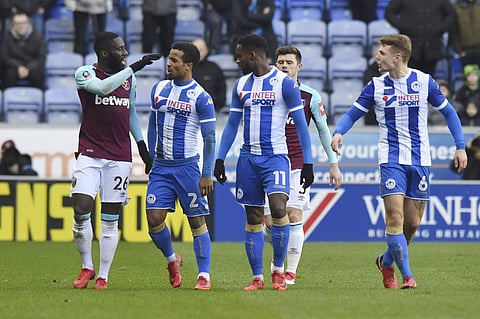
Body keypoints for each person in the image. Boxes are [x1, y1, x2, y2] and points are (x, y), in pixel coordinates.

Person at [330, 34, 468, 290]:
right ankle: (407, 276)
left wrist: (460, 147)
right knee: (394, 217)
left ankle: (386, 261)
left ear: (397, 57)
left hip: (420, 160)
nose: (376, 57)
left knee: (411, 224)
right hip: (390, 159)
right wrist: (339, 131)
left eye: (381, 53)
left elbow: (449, 112)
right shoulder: (375, 85)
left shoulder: (424, 82)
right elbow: (353, 113)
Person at [214, 34, 315, 291]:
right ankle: (257, 277)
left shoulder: (284, 84)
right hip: (248, 159)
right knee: (254, 216)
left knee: (279, 209)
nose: (237, 61)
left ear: (252, 55)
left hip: (276, 158)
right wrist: (220, 158)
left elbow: (302, 126)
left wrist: (308, 163)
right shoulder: (241, 85)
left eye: (239, 56)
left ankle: (278, 271)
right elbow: (232, 126)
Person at [71, 31, 159, 290]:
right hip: (89, 152)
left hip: (119, 156)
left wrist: (141, 146)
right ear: (105, 53)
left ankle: (103, 275)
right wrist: (133, 68)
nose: (125, 53)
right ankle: (87, 265)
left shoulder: (128, 80)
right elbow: (101, 88)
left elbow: (129, 111)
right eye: (120, 49)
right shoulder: (85, 73)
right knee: (81, 207)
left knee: (110, 219)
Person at [262, 45, 342, 285]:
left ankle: (290, 272)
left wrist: (333, 163)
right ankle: (278, 253)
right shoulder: (267, 92)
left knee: (294, 214)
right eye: (280, 62)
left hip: (298, 164)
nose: (284, 65)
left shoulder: (310, 95)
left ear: (299, 66)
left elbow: (323, 130)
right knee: (270, 223)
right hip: (271, 163)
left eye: (288, 62)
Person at [145, 41, 216, 290]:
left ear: (188, 65)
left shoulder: (201, 97)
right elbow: (153, 125)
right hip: (162, 168)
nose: (169, 63)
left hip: (187, 168)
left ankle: (204, 275)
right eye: (169, 58)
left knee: (196, 221)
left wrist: (207, 174)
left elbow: (209, 138)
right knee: (154, 219)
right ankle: (172, 259)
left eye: (174, 60)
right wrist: (150, 159)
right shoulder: (159, 88)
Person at [385, 0, 456, 75]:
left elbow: (451, 14)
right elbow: (389, 13)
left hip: (432, 45)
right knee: (409, 77)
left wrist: (441, 28)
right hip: (410, 46)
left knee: (428, 78)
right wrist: (403, 26)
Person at [0, 12, 46, 89]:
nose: (21, 26)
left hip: (32, 67)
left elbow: (41, 57)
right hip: (13, 67)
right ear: (13, 25)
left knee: (37, 74)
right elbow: (4, 57)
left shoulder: (38, 36)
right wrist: (19, 67)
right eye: (18, 23)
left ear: (28, 23)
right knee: (8, 74)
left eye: (24, 23)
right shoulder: (7, 37)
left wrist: (28, 68)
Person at [192, 38, 226, 112]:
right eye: (195, 50)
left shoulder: (214, 68)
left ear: (206, 51)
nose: (198, 53)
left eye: (201, 50)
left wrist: (216, 107)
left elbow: (222, 90)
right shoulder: (183, 68)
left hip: (211, 111)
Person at [451, 0, 480, 68]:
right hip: (465, 52)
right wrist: (459, 51)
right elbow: (453, 31)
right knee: (469, 77)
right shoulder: (456, 7)